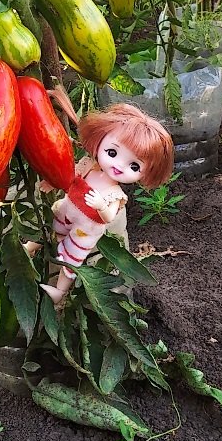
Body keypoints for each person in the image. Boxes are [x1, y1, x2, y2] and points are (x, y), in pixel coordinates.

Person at [40, 103, 174, 304]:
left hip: (85, 230)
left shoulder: (115, 194)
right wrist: (52, 182)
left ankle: (59, 291)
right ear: (99, 139)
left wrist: (101, 206)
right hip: (67, 209)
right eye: (112, 153)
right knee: (50, 223)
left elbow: (108, 217)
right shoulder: (88, 166)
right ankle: (31, 246)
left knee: (72, 257)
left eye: (134, 166)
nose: (119, 165)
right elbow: (68, 176)